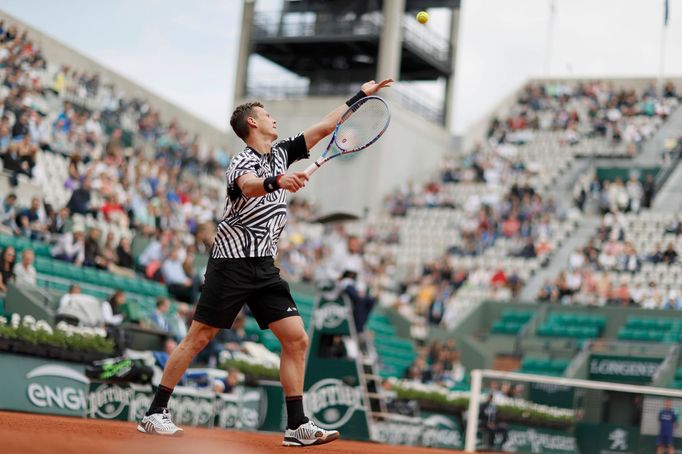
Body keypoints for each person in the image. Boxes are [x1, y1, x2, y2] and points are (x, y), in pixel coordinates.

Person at [137, 78, 393, 446]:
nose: (274, 120)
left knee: (297, 339)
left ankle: (296, 426)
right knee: (200, 336)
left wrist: (360, 96)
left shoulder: (283, 152)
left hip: (265, 268)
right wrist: (279, 182)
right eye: (267, 115)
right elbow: (249, 187)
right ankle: (155, 412)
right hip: (232, 263)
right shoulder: (242, 159)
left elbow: (325, 127)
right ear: (252, 124)